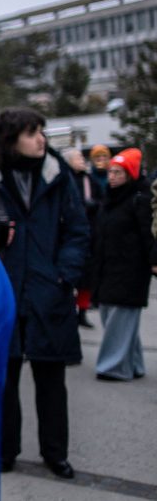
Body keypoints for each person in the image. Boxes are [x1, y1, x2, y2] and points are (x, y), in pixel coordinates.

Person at [0, 108, 89, 479]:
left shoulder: (58, 176)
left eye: (42, 131)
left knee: (51, 378)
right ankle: (4, 450)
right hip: (3, 290)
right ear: (10, 139)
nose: (41, 138)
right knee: (4, 376)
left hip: (49, 290)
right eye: (32, 132)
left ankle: (55, 453)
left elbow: (78, 230)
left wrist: (64, 276)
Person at [89, 148, 154, 381]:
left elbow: (149, 234)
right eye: (111, 172)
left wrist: (154, 261)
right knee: (114, 317)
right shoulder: (109, 199)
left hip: (131, 270)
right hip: (108, 268)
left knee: (120, 317)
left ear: (130, 175)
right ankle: (134, 364)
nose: (113, 176)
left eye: (119, 172)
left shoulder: (139, 199)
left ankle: (112, 367)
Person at [62, 147, 102, 328]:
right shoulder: (63, 179)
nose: (82, 160)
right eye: (78, 157)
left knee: (86, 278)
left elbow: (103, 201)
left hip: (89, 232)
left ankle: (82, 312)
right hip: (68, 235)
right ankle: (68, 312)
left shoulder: (89, 179)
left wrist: (95, 205)